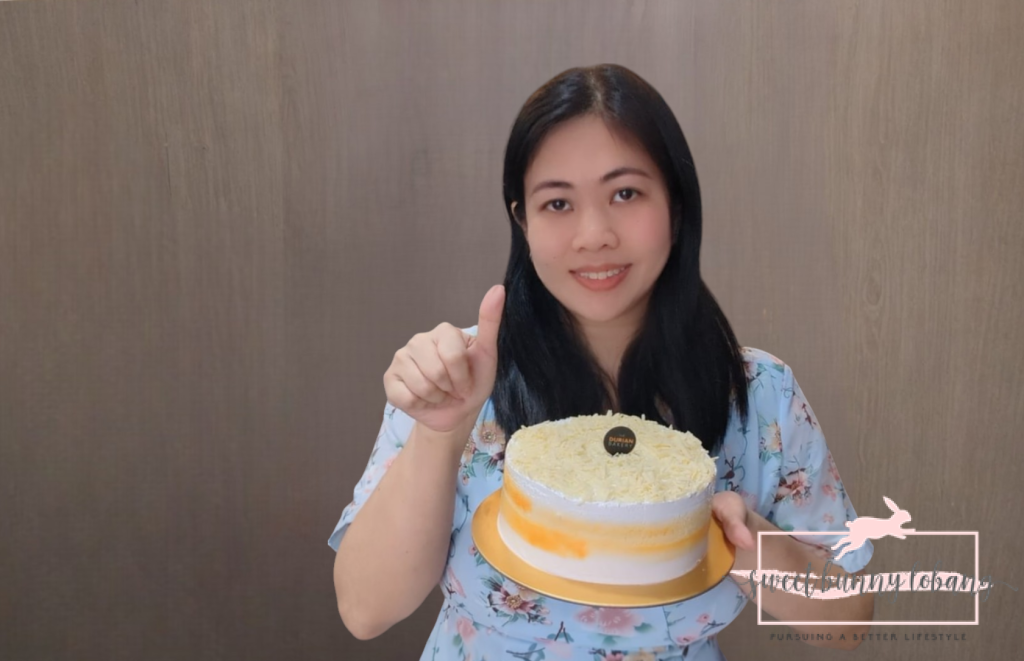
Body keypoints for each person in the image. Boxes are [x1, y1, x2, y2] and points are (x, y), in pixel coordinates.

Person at [329, 65, 875, 659]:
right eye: (557, 203)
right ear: (523, 221)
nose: (593, 235)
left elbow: (849, 623)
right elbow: (365, 611)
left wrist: (743, 542)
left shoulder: (759, 394)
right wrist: (439, 436)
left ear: (676, 206)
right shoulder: (456, 376)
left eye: (625, 194)